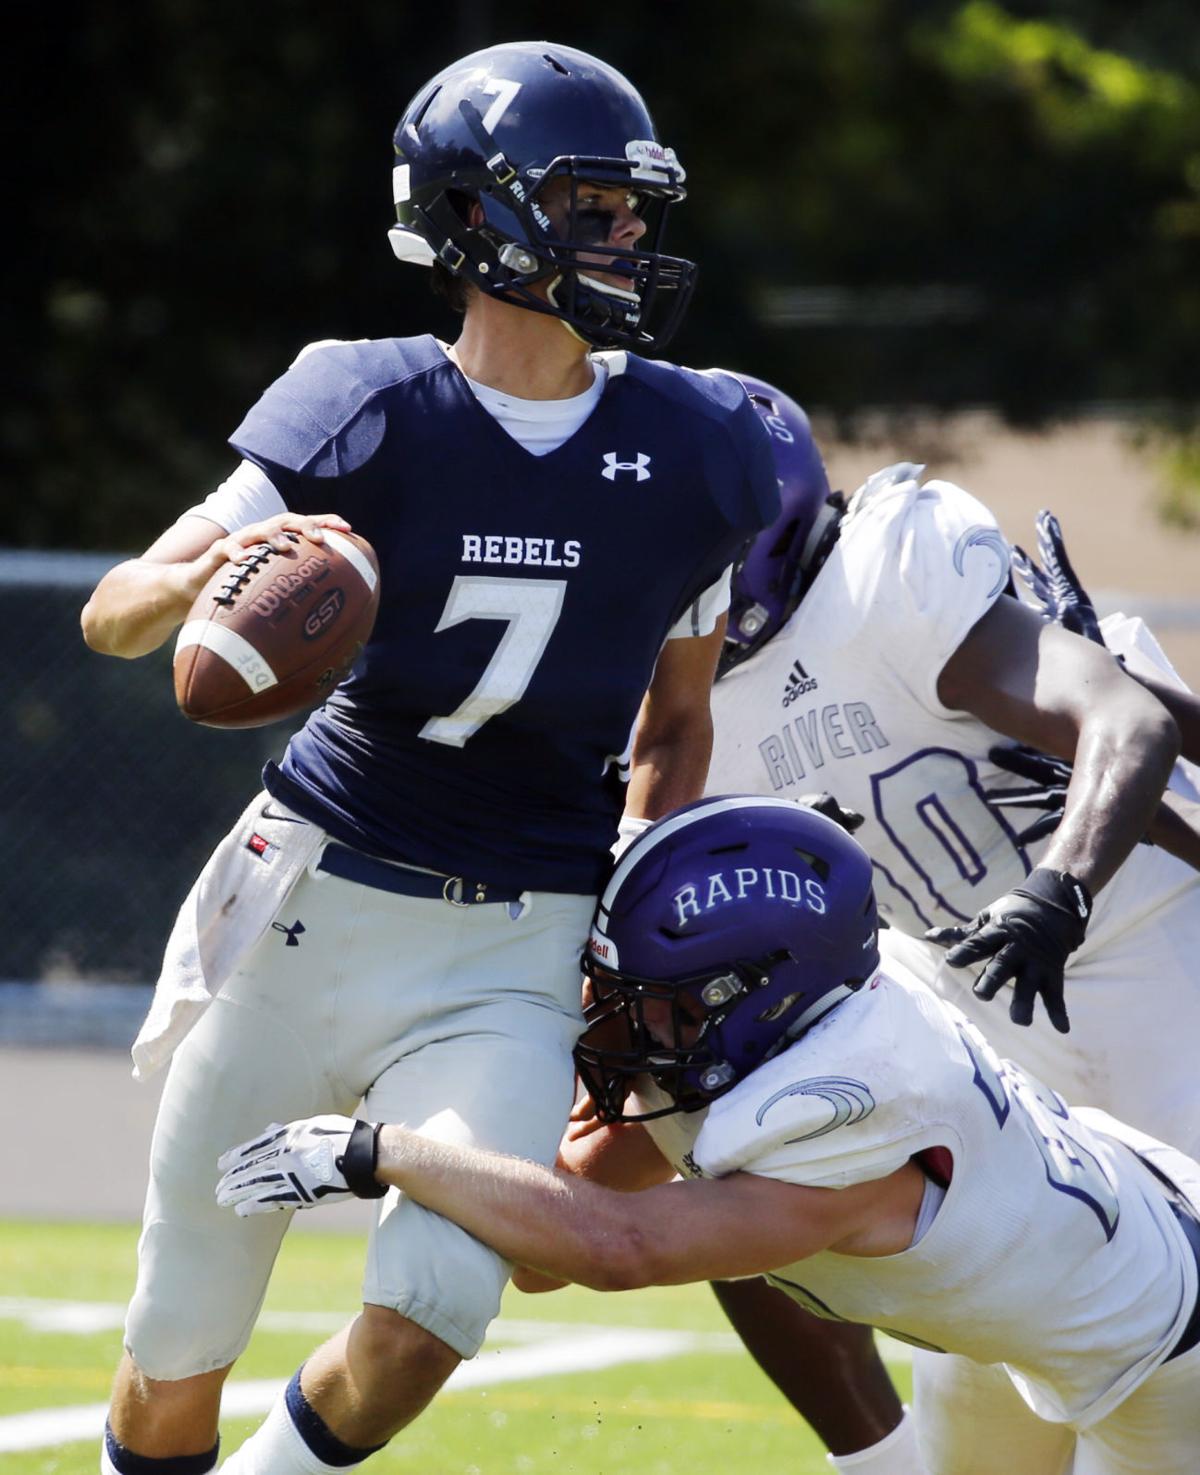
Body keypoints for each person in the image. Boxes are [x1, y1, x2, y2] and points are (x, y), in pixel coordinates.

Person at [80, 41, 778, 1475]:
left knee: (431, 1317)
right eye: (595, 206)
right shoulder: (362, 400)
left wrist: (620, 949)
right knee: (175, 1352)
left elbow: (680, 723)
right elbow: (112, 616)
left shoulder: (700, 441)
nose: (632, 238)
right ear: (481, 217)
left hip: (514, 944)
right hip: (306, 904)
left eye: (637, 210)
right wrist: (214, 574)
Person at [216, 797, 1200, 1475]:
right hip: (1019, 1308)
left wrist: (380, 1148)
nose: (617, 1020)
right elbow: (550, 1242)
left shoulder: (850, 1105)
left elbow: (613, 1244)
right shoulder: (781, 1028)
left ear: (757, 994)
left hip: (1163, 1341)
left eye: (651, 1002)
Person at [692, 376, 1200, 1472]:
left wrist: (1058, 884)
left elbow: (1130, 718)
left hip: (1144, 955)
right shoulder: (676, 702)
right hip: (975, 1009)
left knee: (1166, 1373)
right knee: (981, 1398)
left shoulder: (890, 570)